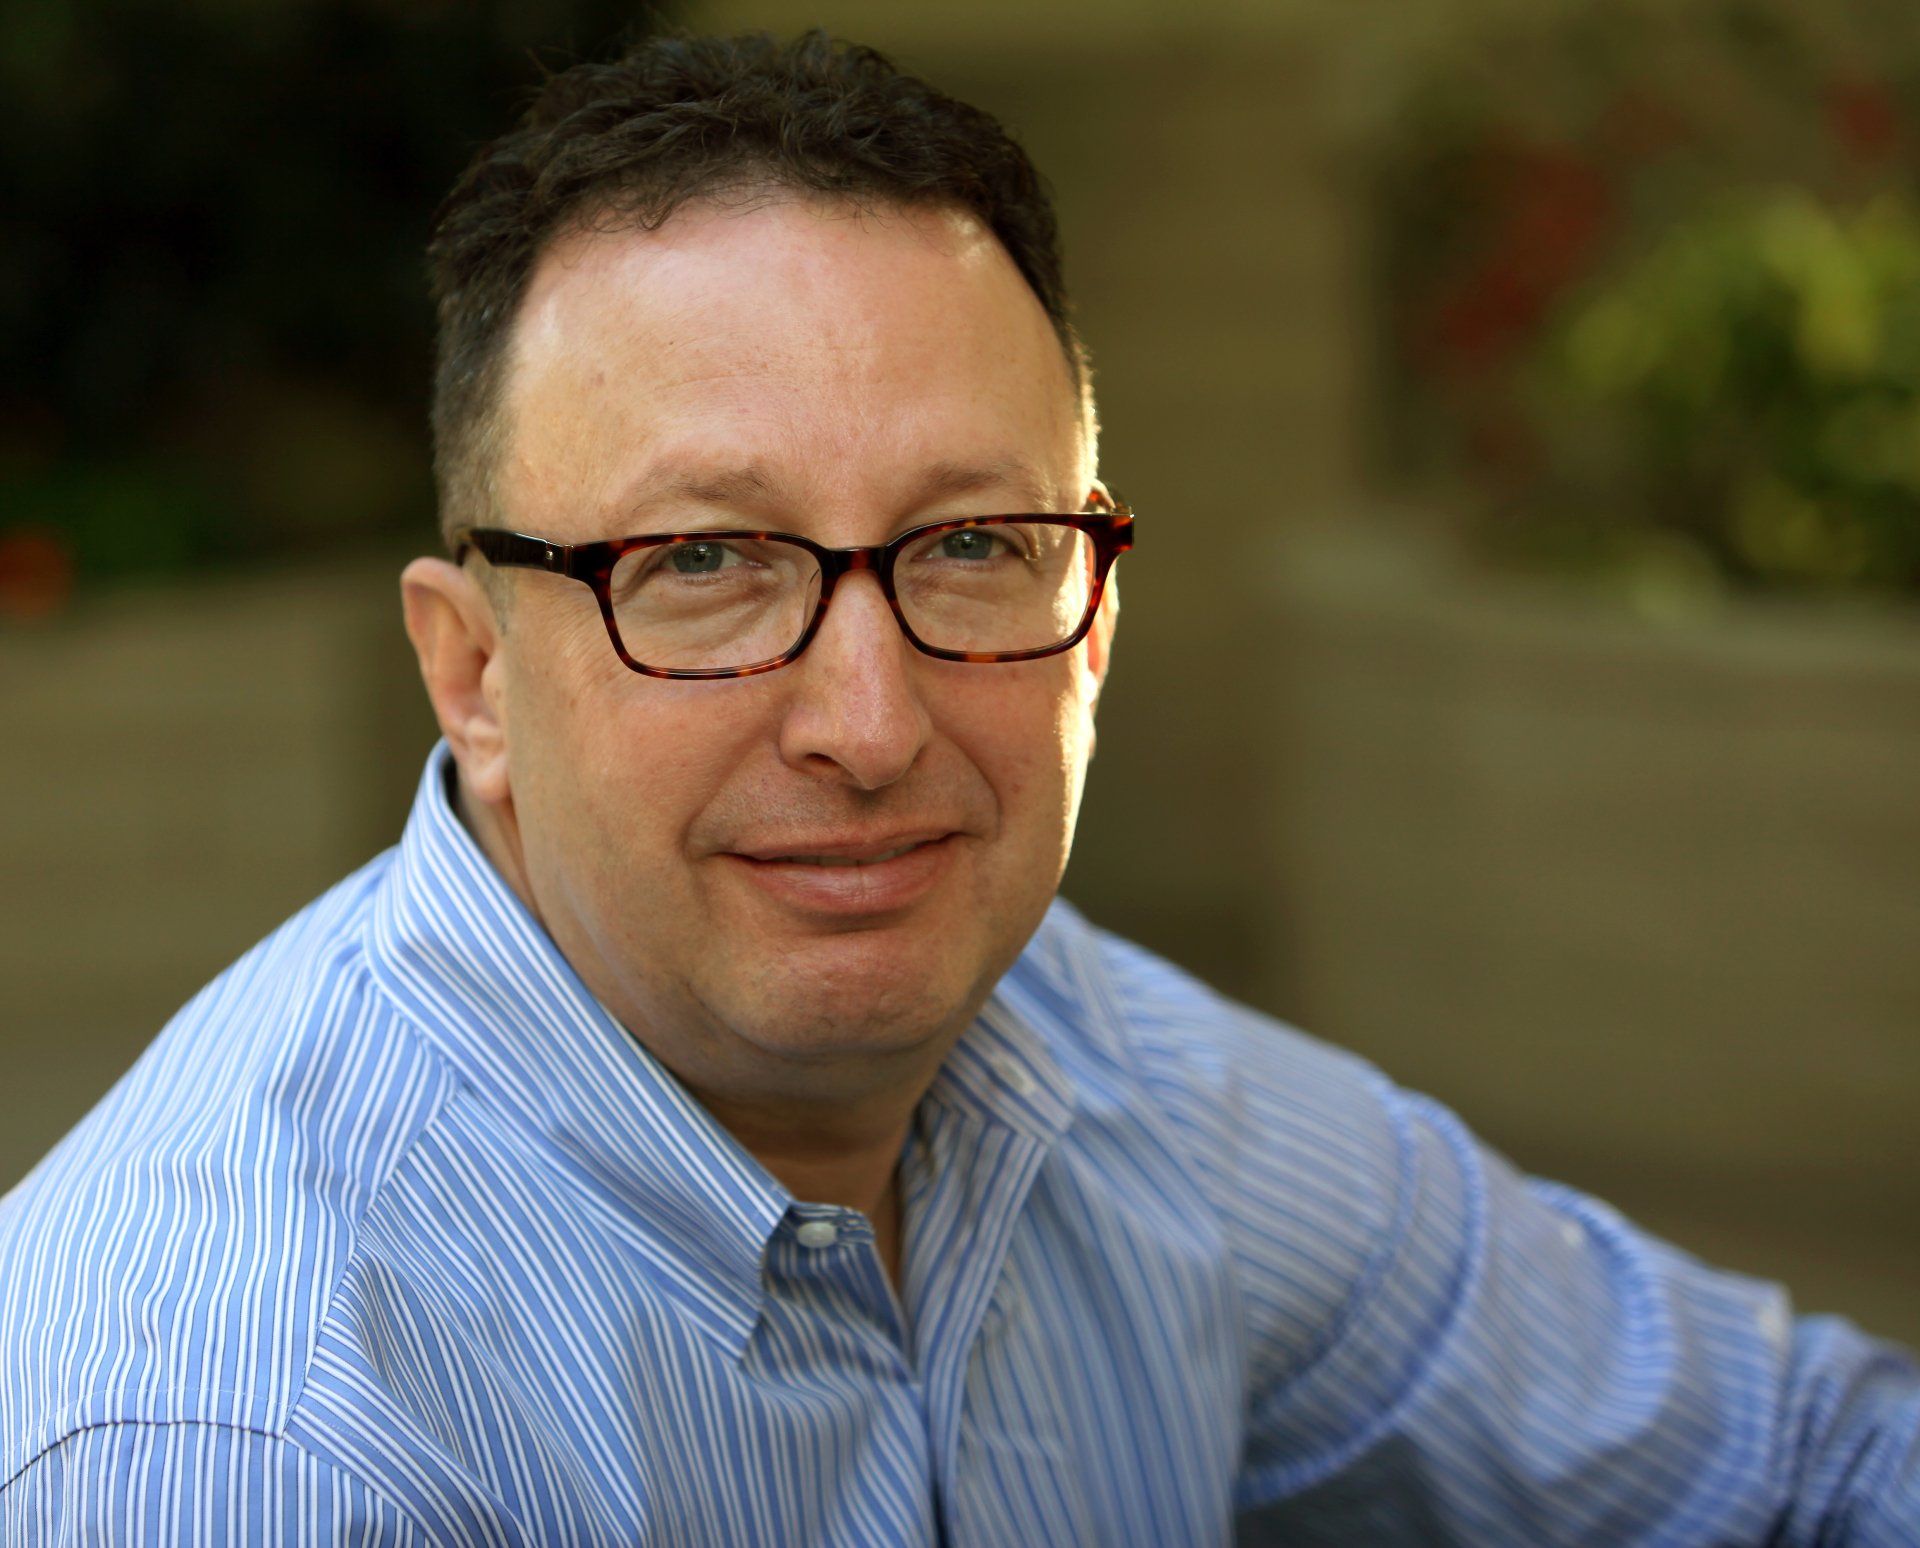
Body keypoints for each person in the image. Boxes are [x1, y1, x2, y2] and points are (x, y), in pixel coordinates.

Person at [1, 29, 1915, 1547]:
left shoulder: (1094, 1064)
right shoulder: (243, 1442)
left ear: (1094, 614)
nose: (871, 720)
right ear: (475, 674)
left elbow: (1800, 1465)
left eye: (973, 543)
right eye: (704, 563)